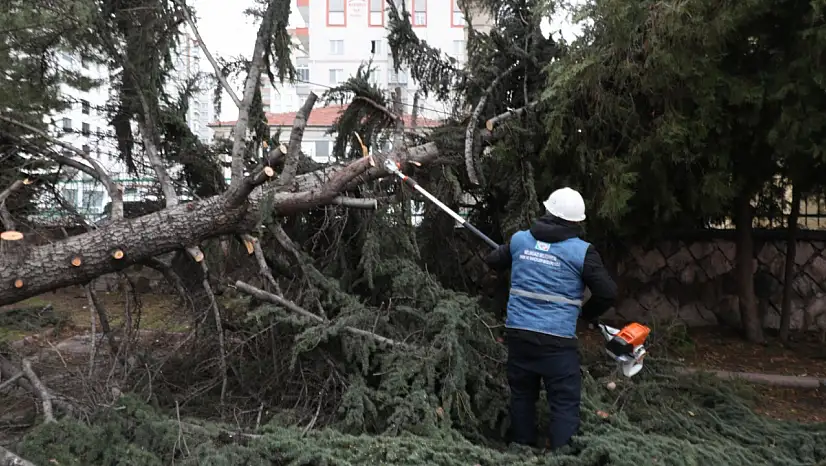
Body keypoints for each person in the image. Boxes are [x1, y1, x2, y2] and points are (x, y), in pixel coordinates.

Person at [484, 187, 617, 450]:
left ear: (547, 212)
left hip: (519, 335)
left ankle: (522, 448)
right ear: (577, 221)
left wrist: (512, 254)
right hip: (557, 341)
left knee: (522, 395)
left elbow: (492, 260)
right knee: (564, 401)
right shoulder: (582, 252)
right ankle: (563, 454)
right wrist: (586, 314)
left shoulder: (520, 240)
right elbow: (608, 292)